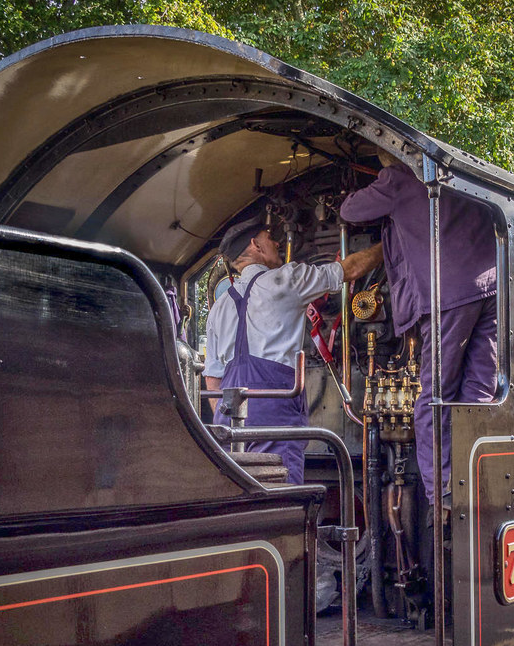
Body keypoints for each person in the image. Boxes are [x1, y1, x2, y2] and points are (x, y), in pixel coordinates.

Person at [339, 152, 497, 502]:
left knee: (434, 398)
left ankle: (442, 493)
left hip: (449, 294)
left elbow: (349, 211)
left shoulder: (399, 177)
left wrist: (378, 177)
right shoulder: (461, 172)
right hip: (490, 287)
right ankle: (478, 483)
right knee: (479, 391)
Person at [204, 217, 383, 485]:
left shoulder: (219, 307)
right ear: (256, 245)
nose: (276, 242)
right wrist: (388, 245)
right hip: (274, 416)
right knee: (280, 497)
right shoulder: (286, 280)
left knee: (238, 497)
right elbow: (350, 268)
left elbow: (212, 379)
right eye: (269, 236)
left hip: (229, 421)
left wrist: (237, 420)